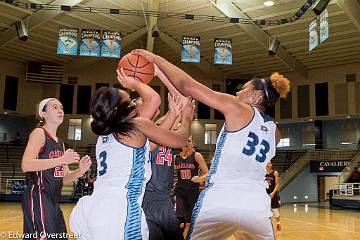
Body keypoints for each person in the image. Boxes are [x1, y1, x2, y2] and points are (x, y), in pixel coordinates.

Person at [133, 49, 290, 240]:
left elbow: (187, 85)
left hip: (222, 198)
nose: (238, 91)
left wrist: (156, 59)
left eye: (244, 89)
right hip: (256, 203)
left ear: (256, 96)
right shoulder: (276, 132)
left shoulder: (238, 107)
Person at [70, 68, 195, 240]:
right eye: (128, 99)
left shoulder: (107, 135)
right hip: (119, 211)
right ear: (120, 108)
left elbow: (150, 144)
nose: (132, 101)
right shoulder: (135, 126)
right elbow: (156, 102)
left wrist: (173, 115)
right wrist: (187, 117)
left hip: (90, 209)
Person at [21, 98, 92, 239]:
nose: (60, 110)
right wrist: (61, 159)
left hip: (53, 200)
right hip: (39, 196)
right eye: (55, 107)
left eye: (61, 108)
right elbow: (26, 165)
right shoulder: (39, 133)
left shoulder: (60, 143)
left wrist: (80, 171)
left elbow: (64, 178)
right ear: (43, 113)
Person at [142, 93, 184, 240]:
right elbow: (168, 120)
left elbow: (176, 117)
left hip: (166, 199)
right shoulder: (144, 139)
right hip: (149, 198)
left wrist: (178, 101)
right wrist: (171, 114)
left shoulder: (167, 137)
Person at [174, 135, 208, 236]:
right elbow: (170, 174)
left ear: (192, 143)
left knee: (192, 221)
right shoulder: (175, 157)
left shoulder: (196, 155)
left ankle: (191, 236)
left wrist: (200, 179)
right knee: (180, 220)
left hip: (192, 192)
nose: (186, 143)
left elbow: (207, 173)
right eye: (184, 141)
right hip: (180, 192)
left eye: (189, 141)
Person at [265, 161, 281, 232]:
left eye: (270, 163)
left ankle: (278, 224)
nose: (268, 164)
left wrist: (273, 193)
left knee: (275, 210)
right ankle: (267, 225)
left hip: (273, 193)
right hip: (265, 194)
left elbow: (277, 184)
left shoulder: (275, 172)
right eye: (267, 163)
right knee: (265, 210)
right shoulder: (262, 173)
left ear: (271, 165)